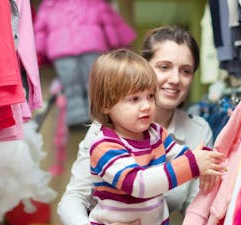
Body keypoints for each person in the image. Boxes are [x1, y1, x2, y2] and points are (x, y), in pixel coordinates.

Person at [57, 25, 216, 225]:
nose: (175, 79)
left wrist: (208, 160)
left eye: (186, 71)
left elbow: (197, 202)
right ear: (144, 67)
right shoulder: (103, 137)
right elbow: (75, 198)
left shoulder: (183, 131)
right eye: (164, 67)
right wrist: (193, 164)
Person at [85, 48, 224, 225]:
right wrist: (193, 164)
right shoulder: (105, 145)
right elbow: (139, 184)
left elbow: (182, 154)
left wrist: (204, 158)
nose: (146, 106)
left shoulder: (155, 132)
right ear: (106, 105)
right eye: (134, 99)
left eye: (150, 96)